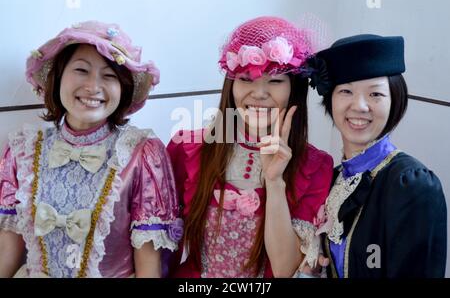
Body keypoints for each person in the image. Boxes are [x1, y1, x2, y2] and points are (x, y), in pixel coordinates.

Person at [0, 21, 182, 278]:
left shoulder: (141, 154)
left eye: (109, 75)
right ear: (58, 77)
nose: (93, 86)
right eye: (81, 70)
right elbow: (8, 250)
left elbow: (148, 264)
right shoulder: (23, 149)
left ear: (123, 88)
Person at [167, 16, 333, 278]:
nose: (258, 93)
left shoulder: (315, 166)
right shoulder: (186, 148)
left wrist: (275, 181)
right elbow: (166, 250)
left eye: (275, 81)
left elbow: (284, 269)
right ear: (231, 85)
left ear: (294, 89)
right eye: (246, 79)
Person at [308, 34, 447, 277]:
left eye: (375, 94)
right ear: (330, 99)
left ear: (395, 100)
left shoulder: (412, 184)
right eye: (346, 91)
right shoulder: (333, 179)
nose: (359, 106)